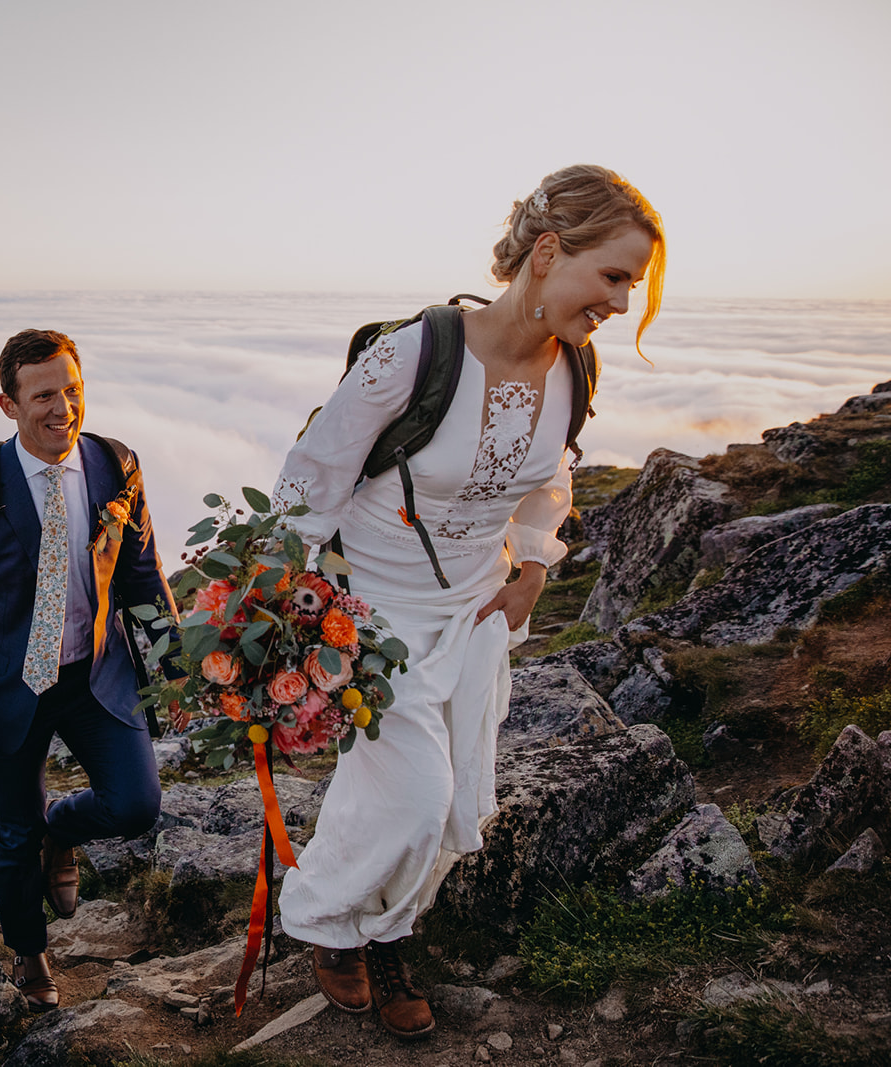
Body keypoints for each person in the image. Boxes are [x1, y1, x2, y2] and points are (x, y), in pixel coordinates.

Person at [270, 164, 665, 1040]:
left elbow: (549, 476)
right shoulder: (415, 354)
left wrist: (531, 569)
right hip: (371, 614)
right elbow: (315, 474)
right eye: (612, 277)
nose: (619, 302)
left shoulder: (575, 368)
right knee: (412, 795)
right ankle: (323, 918)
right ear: (549, 251)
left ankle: (390, 932)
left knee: (452, 804)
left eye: (630, 286)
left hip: (479, 611)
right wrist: (275, 601)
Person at [0, 328, 181, 1011]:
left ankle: (61, 830)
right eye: (43, 395)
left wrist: (174, 664)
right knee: (12, 832)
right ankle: (30, 953)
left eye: (73, 389)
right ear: (8, 404)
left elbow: (142, 574)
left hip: (96, 673)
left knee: (135, 804)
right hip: (13, 686)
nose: (62, 407)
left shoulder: (115, 463)